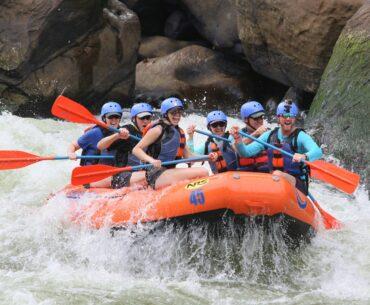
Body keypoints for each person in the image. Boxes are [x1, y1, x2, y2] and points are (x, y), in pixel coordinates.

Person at [231, 99, 323, 194]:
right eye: (284, 116)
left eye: (291, 116)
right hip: (274, 183)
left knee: (277, 174)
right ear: (278, 118)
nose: (288, 119)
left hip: (296, 183)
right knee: (274, 176)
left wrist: (304, 156)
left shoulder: (300, 136)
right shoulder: (269, 135)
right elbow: (246, 153)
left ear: (295, 119)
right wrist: (238, 140)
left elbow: (318, 151)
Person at [132, 97, 210, 189]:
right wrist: (151, 160)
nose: (177, 116)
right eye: (173, 113)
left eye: (179, 112)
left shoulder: (180, 132)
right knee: (203, 172)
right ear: (165, 114)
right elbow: (136, 149)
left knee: (202, 172)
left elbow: (189, 157)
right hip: (155, 174)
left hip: (169, 172)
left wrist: (208, 157)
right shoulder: (158, 130)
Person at [92, 103, 154, 188]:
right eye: (142, 118)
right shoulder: (128, 130)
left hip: (140, 172)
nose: (145, 121)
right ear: (134, 119)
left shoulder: (153, 132)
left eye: (148, 118)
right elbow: (100, 145)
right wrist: (117, 135)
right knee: (152, 175)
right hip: (122, 175)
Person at [67, 101, 122, 166]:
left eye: (116, 117)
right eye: (110, 117)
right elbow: (73, 145)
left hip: (110, 170)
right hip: (91, 169)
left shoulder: (122, 132)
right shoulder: (94, 132)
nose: (114, 120)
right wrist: (71, 153)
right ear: (104, 118)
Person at [237, 101, 269, 172]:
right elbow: (236, 147)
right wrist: (256, 133)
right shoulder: (237, 134)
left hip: (266, 175)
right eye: (256, 118)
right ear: (246, 119)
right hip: (245, 175)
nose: (260, 120)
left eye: (261, 117)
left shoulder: (269, 133)